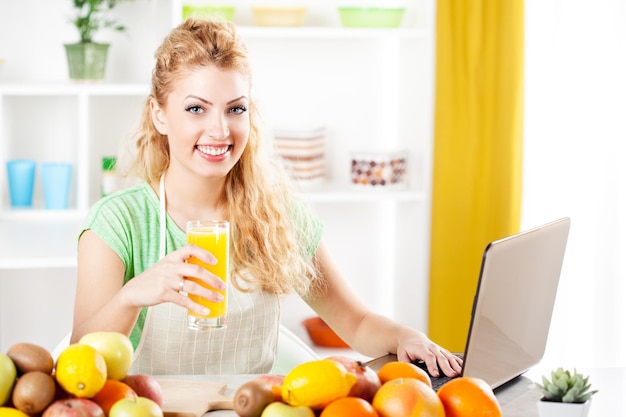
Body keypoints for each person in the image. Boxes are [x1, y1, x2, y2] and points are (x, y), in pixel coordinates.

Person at [71, 17, 463, 377]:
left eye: (235, 109)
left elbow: (357, 324)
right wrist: (132, 296)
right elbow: (80, 360)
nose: (220, 130)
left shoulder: (277, 214)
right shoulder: (118, 222)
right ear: (159, 115)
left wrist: (407, 336)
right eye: (196, 109)